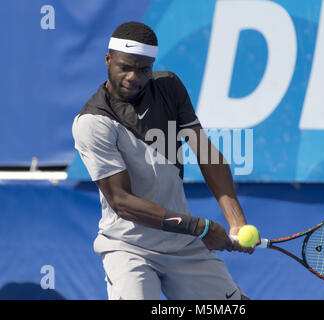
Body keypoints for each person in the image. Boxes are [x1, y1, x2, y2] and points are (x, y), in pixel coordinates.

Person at [72, 21, 256, 300]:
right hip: (128, 247)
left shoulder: (169, 86)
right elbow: (121, 201)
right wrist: (199, 227)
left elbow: (206, 153)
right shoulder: (92, 122)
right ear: (108, 60)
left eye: (143, 69)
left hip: (183, 245)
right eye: (125, 67)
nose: (134, 77)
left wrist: (236, 221)